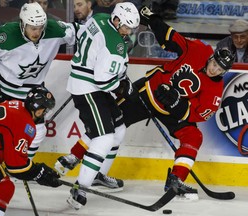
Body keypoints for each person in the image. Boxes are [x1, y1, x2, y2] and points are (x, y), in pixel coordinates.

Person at [55, 6, 235, 200]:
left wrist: (177, 104)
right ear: (211, 57)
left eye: (220, 70)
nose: (215, 70)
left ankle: (176, 179)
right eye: (215, 64)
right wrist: (152, 20)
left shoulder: (216, 91)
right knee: (110, 123)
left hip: (173, 112)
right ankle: (75, 156)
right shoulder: (200, 49)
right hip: (146, 93)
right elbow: (171, 38)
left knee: (193, 137)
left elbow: (198, 113)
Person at [0, 2, 78, 159]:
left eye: (41, 27)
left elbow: (79, 32)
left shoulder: (54, 29)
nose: (37, 32)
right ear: (23, 24)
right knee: (2, 133)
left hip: (32, 92)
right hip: (5, 92)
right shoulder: (6, 35)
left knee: (38, 130)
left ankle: (22, 166)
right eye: (33, 27)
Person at [60, 2, 140, 210]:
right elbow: (104, 81)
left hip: (89, 81)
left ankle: (95, 175)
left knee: (119, 129)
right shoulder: (115, 45)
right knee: (104, 137)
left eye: (131, 28)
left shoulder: (101, 17)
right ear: (117, 20)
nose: (128, 32)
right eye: (126, 27)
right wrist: (122, 87)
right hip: (89, 88)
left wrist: (120, 78)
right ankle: (81, 188)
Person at [0, 86, 62, 216]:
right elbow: (15, 167)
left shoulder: (16, 104)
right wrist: (39, 173)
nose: (44, 114)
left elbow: (0, 138)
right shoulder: (25, 124)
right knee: (3, 187)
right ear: (38, 109)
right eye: (44, 110)